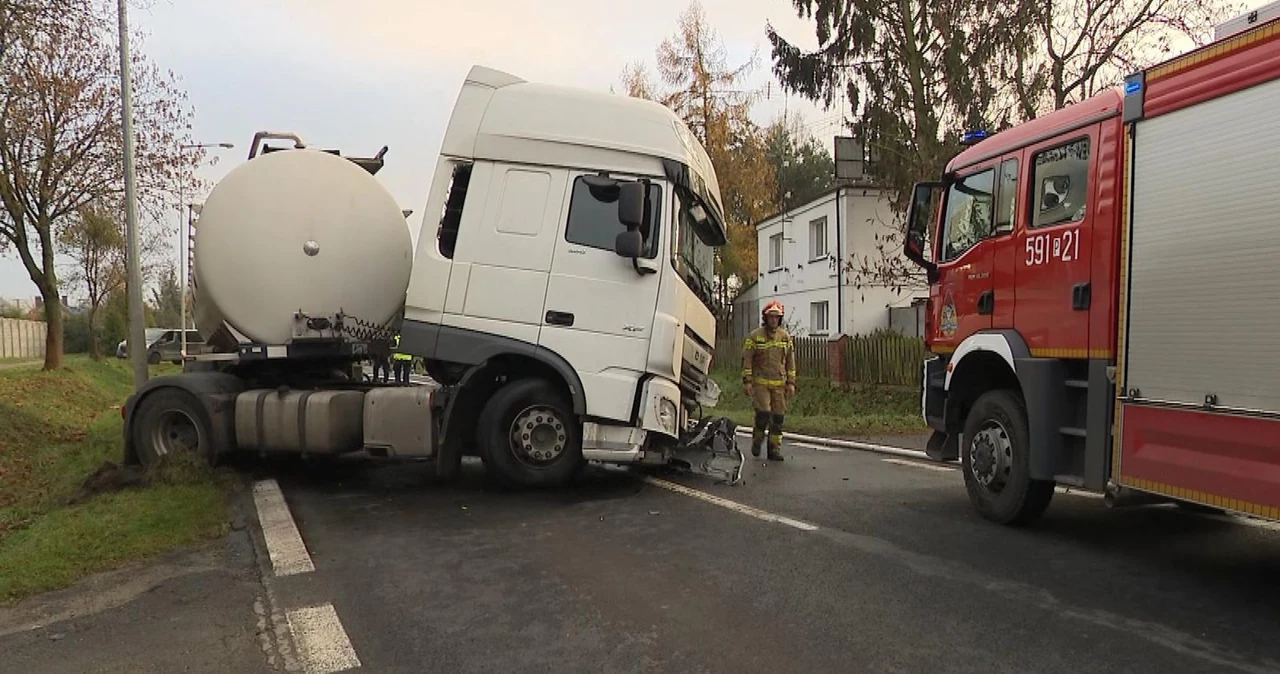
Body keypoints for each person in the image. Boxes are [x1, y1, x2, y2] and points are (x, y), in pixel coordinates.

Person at [741, 300, 796, 461]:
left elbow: (791, 361)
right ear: (765, 318)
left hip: (779, 384)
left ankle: (774, 449)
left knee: (778, 418)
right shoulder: (755, 336)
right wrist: (747, 381)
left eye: (777, 317)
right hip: (760, 383)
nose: (774, 320)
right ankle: (757, 440)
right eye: (771, 317)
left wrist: (791, 382)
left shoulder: (785, 337)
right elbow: (747, 360)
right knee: (764, 413)